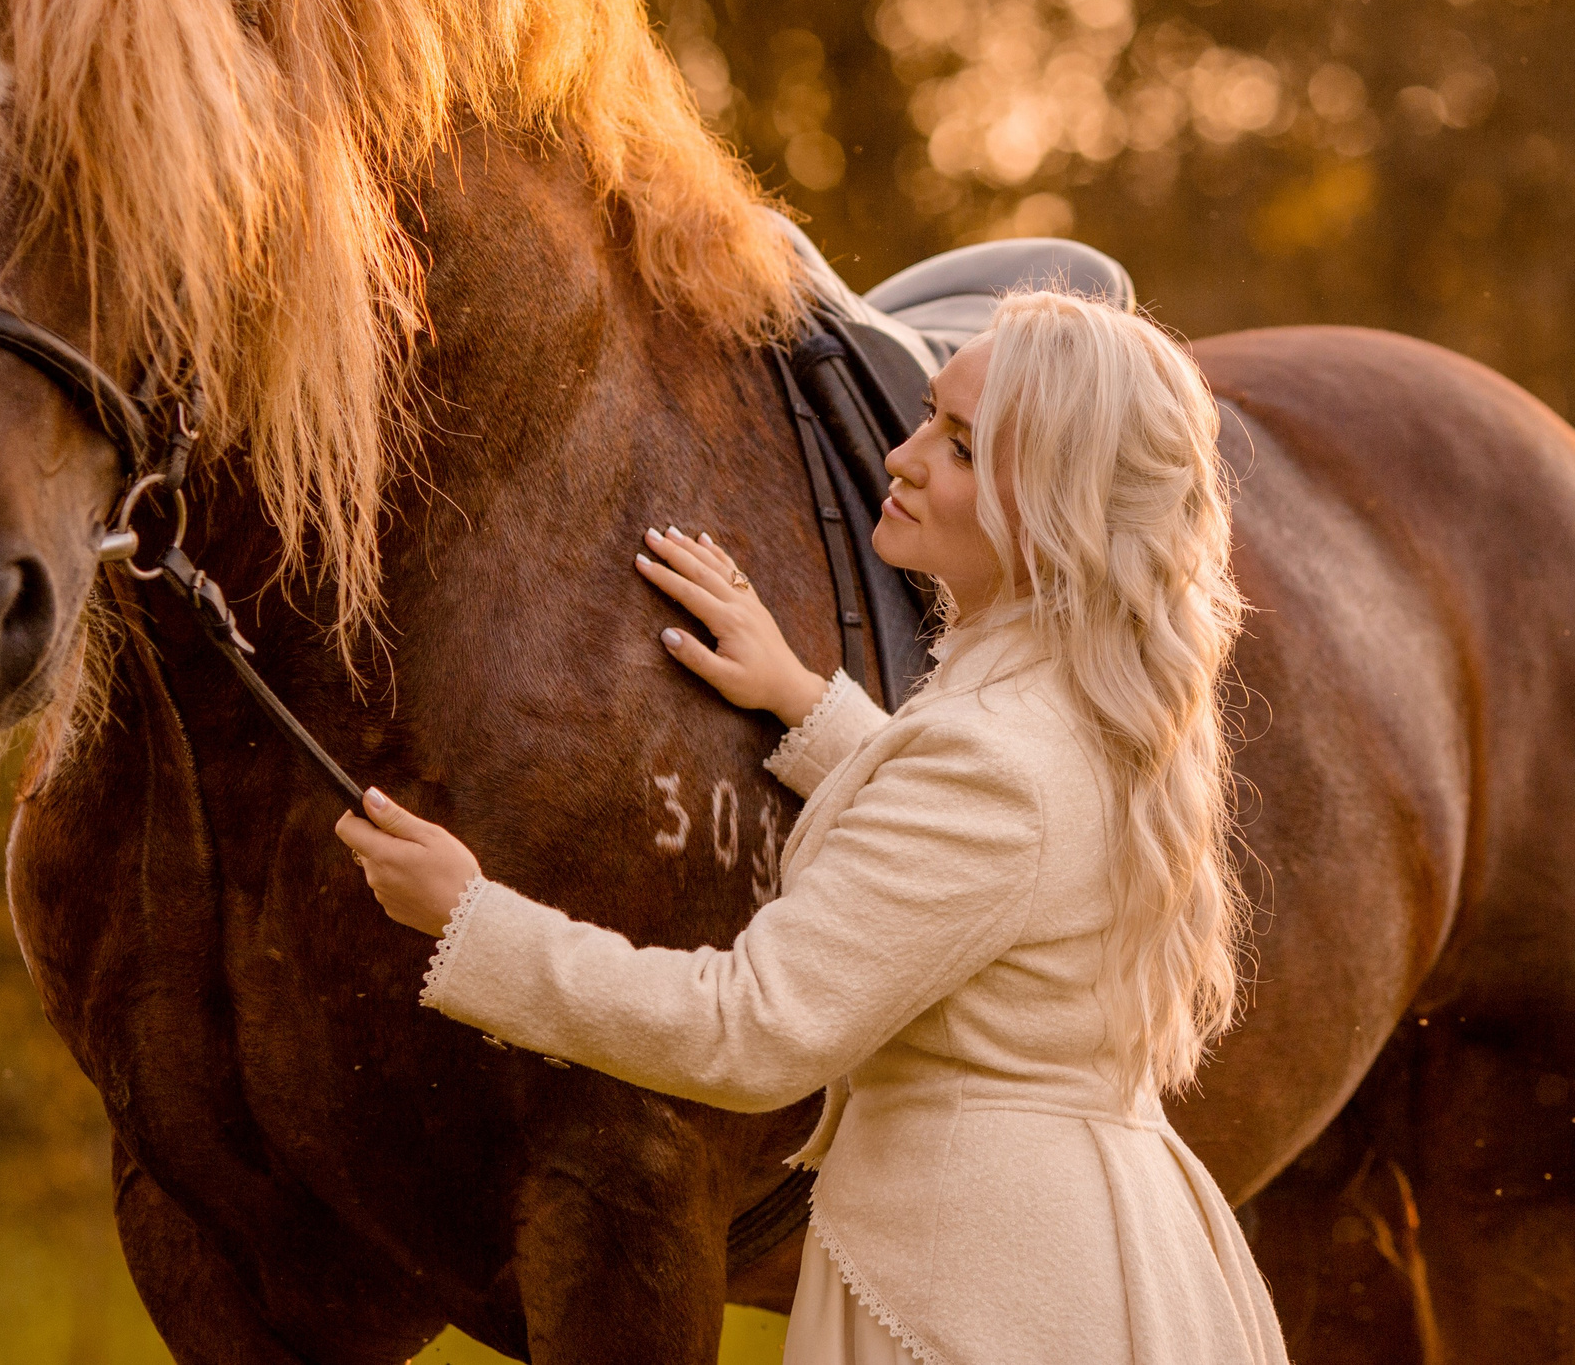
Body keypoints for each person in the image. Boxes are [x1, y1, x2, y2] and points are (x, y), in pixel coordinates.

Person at [336, 289, 1288, 1365]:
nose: (902, 457)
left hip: (976, 1299)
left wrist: (472, 923)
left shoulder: (992, 760)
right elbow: (982, 855)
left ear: (1053, 509)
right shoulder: (1085, 701)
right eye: (928, 416)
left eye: (961, 447)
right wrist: (800, 697)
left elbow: (753, 1029)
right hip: (1097, 1257)